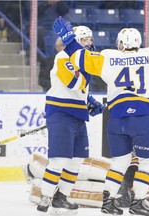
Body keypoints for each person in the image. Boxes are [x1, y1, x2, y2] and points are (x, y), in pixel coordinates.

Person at [53, 12, 149, 216]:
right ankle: (138, 203)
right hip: (140, 119)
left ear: (120, 43)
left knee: (119, 163)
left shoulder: (107, 57)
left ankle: (108, 202)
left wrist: (68, 38)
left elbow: (80, 57)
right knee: (148, 162)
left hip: (116, 121)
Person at [24, 136, 149, 211]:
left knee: (84, 190)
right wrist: (133, 180)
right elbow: (134, 164)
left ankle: (39, 188)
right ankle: (37, 167)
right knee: (84, 168)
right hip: (121, 174)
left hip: (128, 195)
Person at [36, 25, 105, 215]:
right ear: (75, 41)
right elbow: (75, 82)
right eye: (85, 39)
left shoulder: (85, 59)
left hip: (77, 114)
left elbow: (81, 90)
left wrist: (89, 101)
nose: (90, 42)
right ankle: (46, 197)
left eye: (91, 39)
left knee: (77, 160)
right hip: (61, 112)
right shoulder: (63, 57)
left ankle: (61, 198)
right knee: (58, 160)